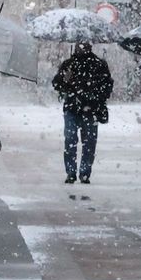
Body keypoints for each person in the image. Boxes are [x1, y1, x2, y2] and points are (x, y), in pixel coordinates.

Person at [51, 42, 113, 184]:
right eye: (81, 44)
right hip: (75, 108)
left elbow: (107, 86)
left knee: (86, 142)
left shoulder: (98, 64)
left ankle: (82, 173)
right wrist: (65, 79)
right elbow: (57, 83)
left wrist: (95, 95)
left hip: (89, 109)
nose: (83, 47)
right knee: (73, 140)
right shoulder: (70, 64)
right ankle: (73, 172)